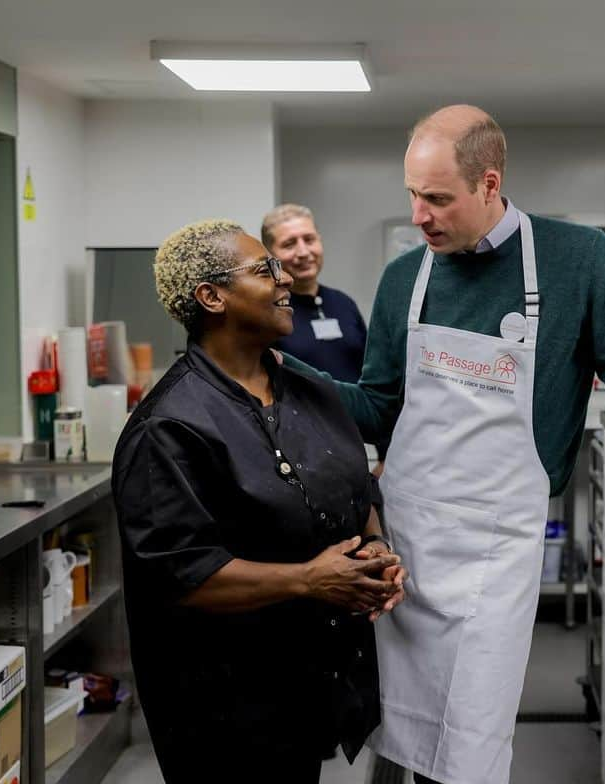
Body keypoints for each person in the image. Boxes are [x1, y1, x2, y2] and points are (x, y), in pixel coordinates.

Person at [286, 105, 605, 784]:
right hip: (409, 545)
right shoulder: (407, 279)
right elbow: (377, 409)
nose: (419, 215)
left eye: (437, 199)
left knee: (469, 739)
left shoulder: (578, 260)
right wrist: (282, 377)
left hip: (494, 551)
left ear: (489, 184)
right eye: (411, 195)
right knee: (394, 735)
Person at [112, 219, 407, 783]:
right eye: (265, 269)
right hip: (222, 705)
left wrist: (373, 549)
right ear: (211, 296)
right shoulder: (169, 427)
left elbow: (356, 492)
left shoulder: (312, 392)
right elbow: (182, 573)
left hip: (306, 683)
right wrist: (309, 580)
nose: (285, 280)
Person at [262, 203, 389, 467]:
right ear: (270, 254)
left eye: (309, 239)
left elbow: (374, 381)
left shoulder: (343, 304)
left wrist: (385, 456)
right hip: (299, 453)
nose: (303, 252)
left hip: (357, 449)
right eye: (289, 244)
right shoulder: (267, 312)